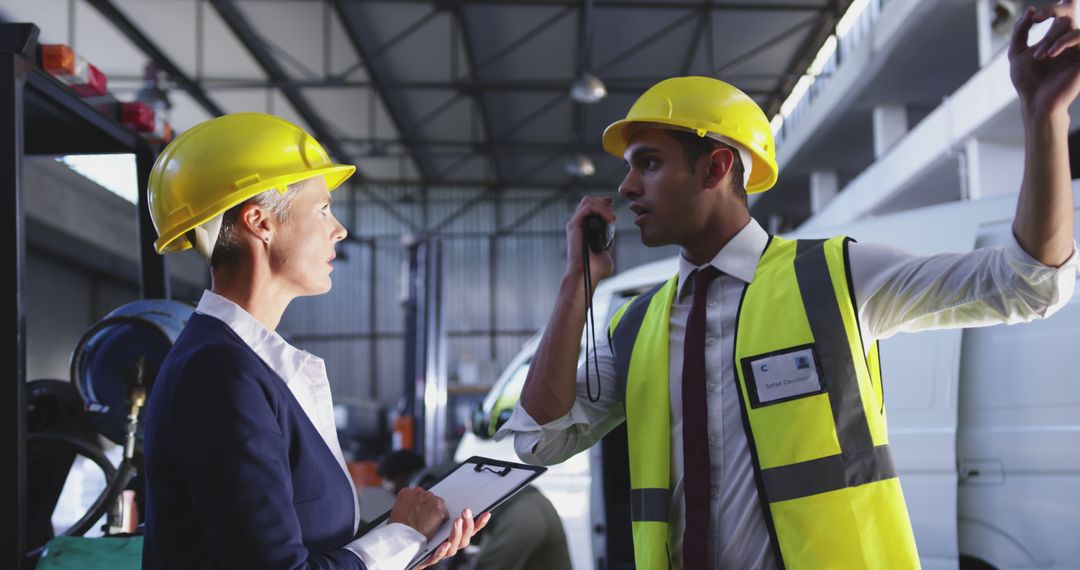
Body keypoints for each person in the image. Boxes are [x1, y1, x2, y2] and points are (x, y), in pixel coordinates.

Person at [498, 4, 1080, 569]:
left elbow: (1025, 286)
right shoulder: (637, 328)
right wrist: (576, 284)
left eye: (648, 163)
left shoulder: (835, 277)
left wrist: (1042, 116)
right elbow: (538, 441)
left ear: (716, 168)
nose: (625, 188)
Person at [141, 112, 489, 569]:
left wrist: (411, 547)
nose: (339, 228)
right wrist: (402, 535)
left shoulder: (243, 365)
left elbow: (303, 547)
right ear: (260, 222)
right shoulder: (220, 374)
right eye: (323, 208)